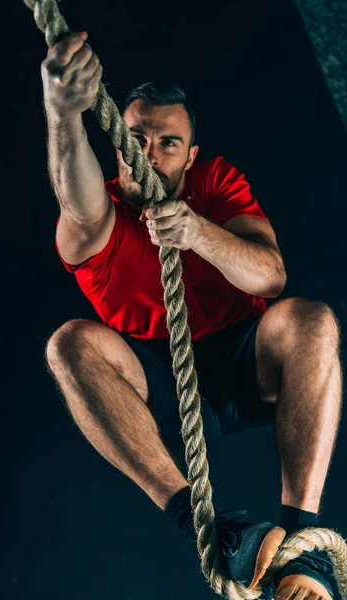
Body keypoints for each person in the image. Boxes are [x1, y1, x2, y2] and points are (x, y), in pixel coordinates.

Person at [41, 31, 342, 599]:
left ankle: (303, 546)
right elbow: (76, 199)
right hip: (160, 383)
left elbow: (270, 275)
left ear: (191, 155)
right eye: (134, 139)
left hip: (244, 360)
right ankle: (213, 527)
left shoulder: (214, 183)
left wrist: (200, 233)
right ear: (116, 144)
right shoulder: (95, 215)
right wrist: (62, 112)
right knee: (69, 344)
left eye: (168, 143)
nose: (148, 154)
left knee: (312, 321)